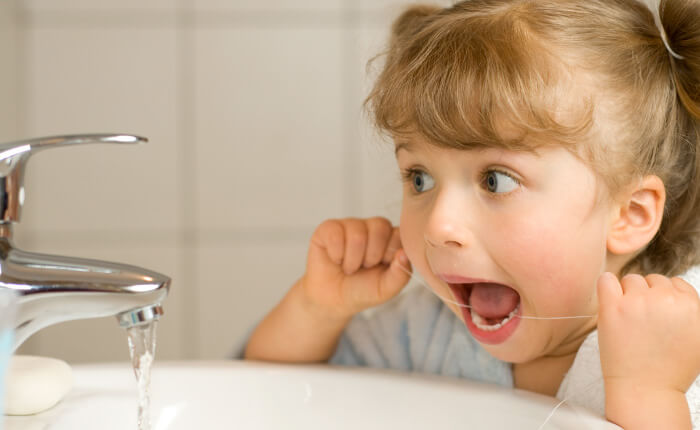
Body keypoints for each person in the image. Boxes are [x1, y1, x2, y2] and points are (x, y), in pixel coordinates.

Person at [244, 0, 700, 427]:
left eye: (496, 180)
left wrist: (652, 394)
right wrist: (318, 308)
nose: (440, 225)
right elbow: (259, 402)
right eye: (419, 177)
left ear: (630, 215)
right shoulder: (429, 332)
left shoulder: (680, 345)